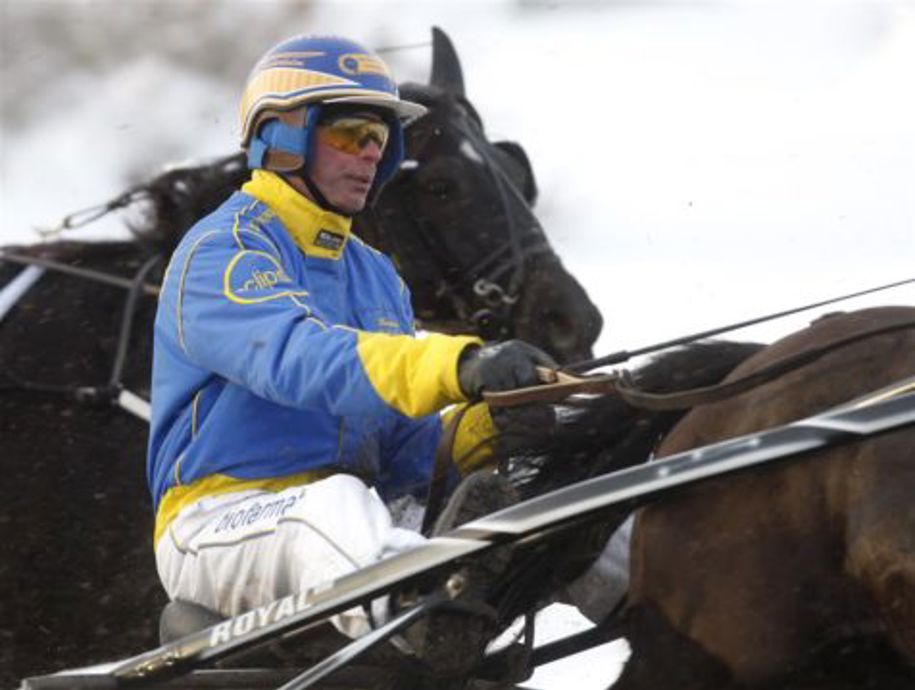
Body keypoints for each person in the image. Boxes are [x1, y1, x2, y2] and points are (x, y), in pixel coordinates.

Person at [147, 34, 554, 673]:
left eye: (381, 139)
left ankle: (662, 605)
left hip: (360, 519)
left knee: (544, 502)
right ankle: (425, 615)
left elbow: (401, 450)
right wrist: (458, 365)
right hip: (215, 524)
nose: (371, 154)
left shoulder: (376, 274)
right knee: (335, 502)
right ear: (282, 135)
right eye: (351, 134)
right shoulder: (222, 249)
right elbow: (300, 359)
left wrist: (486, 428)